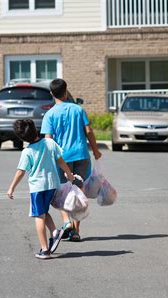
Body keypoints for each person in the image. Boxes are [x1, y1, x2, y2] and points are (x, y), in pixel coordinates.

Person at [41, 78, 102, 242]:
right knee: (77, 192)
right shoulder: (78, 110)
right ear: (66, 91)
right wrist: (95, 150)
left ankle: (66, 221)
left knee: (61, 191)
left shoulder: (50, 114)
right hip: (81, 155)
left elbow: (48, 140)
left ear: (51, 94)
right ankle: (75, 231)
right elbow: (88, 131)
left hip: (61, 158)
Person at [7, 119, 74, 259]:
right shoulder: (50, 143)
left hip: (38, 187)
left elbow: (21, 171)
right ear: (36, 129)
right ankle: (55, 232)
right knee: (43, 211)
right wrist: (68, 173)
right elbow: (60, 160)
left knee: (38, 216)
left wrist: (11, 188)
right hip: (52, 184)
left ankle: (45, 250)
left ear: (21, 138)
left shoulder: (27, 151)